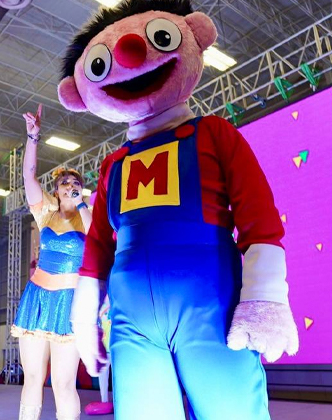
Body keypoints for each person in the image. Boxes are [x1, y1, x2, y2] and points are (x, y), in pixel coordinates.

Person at [59, 1, 299, 418]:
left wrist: (265, 296)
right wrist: (83, 317)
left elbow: (258, 219)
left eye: (159, 38)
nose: (130, 55)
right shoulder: (112, 164)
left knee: (231, 408)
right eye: (101, 64)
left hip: (212, 304)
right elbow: (98, 244)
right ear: (77, 94)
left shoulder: (215, 133)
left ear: (195, 33)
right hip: (131, 319)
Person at [11, 103, 92, 420]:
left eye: (76, 183)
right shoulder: (45, 212)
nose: (70, 186)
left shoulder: (88, 215)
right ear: (56, 190)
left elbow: (98, 237)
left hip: (69, 304)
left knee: (63, 382)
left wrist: (81, 204)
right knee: (32, 377)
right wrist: (33, 137)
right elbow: (28, 176)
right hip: (37, 300)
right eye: (65, 183)